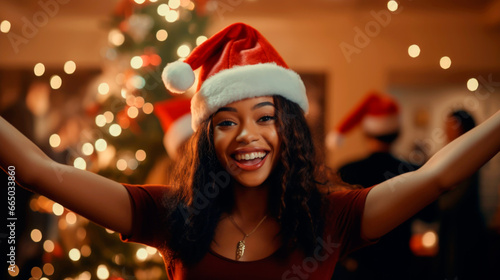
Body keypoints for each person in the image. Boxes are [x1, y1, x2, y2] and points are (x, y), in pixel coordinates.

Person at [1, 23, 499, 280]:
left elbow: (436, 177)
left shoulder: (331, 218)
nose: (247, 136)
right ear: (207, 139)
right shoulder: (171, 215)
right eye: (226, 123)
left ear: (288, 131)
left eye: (265, 118)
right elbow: (41, 172)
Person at [327, 92, 422, 279]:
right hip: (399, 265)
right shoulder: (411, 170)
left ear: (366, 131)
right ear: (397, 133)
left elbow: (334, 224)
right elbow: (429, 215)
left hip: (356, 267)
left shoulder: (347, 171)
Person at [438, 109, 488, 279]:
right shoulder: (458, 155)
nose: (446, 131)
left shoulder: (467, 157)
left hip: (463, 230)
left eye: (451, 126)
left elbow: (452, 200)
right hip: (457, 227)